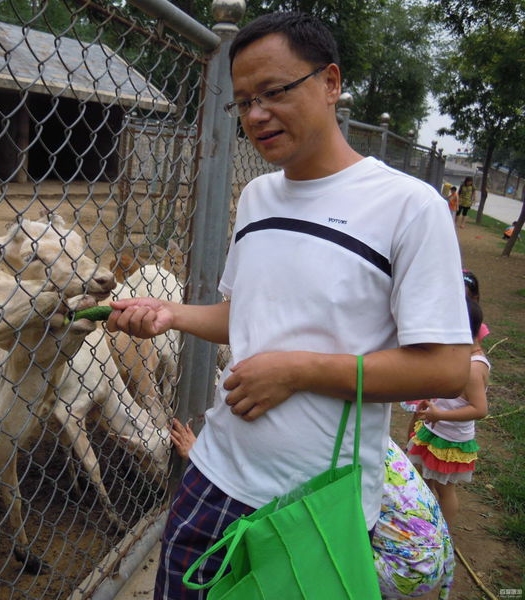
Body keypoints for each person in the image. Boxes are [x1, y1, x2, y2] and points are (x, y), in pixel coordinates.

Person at [106, 12, 471, 598]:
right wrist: (172, 314)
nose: (255, 115)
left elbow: (446, 367)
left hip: (313, 503)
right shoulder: (256, 197)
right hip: (214, 474)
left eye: (274, 92)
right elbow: (245, 318)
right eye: (243, 101)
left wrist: (298, 371)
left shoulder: (409, 206)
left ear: (330, 83)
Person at [169, 420, 455, 599]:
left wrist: (200, 454)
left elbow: (271, 483)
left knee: (314, 571)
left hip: (406, 564)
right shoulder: (359, 429)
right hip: (430, 551)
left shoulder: (317, 443)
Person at [408, 297, 489, 529]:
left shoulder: (474, 369)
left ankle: (444, 534)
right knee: (427, 477)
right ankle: (428, 520)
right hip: (437, 431)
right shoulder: (463, 359)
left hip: (450, 440)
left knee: (446, 490)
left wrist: (440, 414)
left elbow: (479, 409)